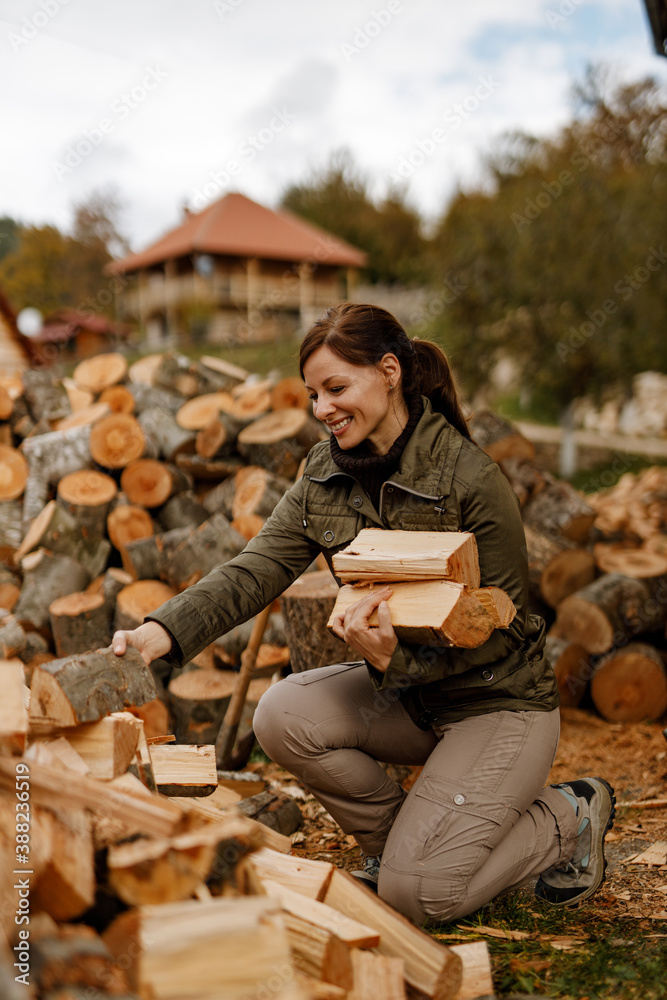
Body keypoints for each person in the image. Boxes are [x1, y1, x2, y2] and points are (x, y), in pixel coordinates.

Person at [112, 302, 615, 925]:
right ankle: (402, 845)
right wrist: (159, 632)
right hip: (409, 701)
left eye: (336, 388)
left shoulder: (471, 479)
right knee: (282, 714)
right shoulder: (322, 474)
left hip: (497, 703)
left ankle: (569, 816)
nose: (322, 409)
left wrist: (391, 656)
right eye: (313, 394)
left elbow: (504, 632)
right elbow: (254, 569)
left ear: (389, 372)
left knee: (419, 899)